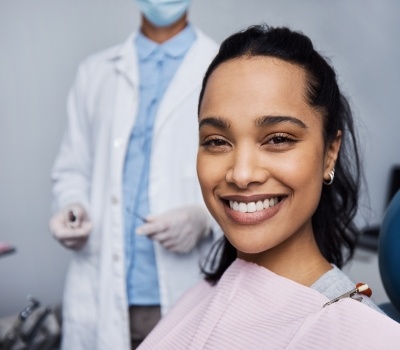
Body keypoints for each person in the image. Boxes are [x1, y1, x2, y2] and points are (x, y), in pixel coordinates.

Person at [138, 24, 400, 349]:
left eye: (278, 139)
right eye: (217, 141)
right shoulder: (198, 297)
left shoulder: (364, 337)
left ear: (330, 153)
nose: (242, 174)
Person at [48, 0, 221, 349]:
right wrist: (72, 207)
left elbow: (242, 172)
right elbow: (72, 169)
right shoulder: (95, 72)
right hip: (100, 291)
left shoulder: (222, 68)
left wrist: (206, 219)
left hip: (183, 290)